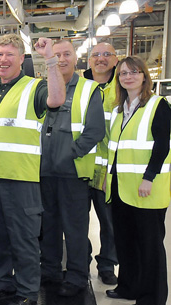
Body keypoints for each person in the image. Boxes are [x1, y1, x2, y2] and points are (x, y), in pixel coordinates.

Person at [0, 34, 65, 305]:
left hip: (21, 179)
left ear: (21, 59)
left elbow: (57, 99)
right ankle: (2, 283)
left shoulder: (35, 88)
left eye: (10, 54)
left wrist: (51, 60)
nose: (3, 60)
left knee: (24, 238)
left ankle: (27, 293)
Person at [104, 56, 170, 305]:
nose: (128, 77)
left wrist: (149, 176)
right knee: (126, 241)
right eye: (123, 74)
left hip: (146, 188)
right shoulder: (120, 109)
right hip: (121, 187)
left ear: (144, 75)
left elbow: (163, 145)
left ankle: (153, 300)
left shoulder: (158, 105)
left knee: (150, 245)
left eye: (133, 72)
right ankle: (128, 286)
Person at [39, 39, 105, 296]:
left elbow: (95, 131)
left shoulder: (90, 90)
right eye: (57, 55)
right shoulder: (43, 89)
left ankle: (78, 276)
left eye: (67, 54)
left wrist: (70, 155)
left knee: (75, 228)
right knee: (49, 226)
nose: (62, 59)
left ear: (75, 58)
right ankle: (51, 270)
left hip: (73, 172)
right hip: (44, 171)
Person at [83, 42, 120, 285]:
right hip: (81, 166)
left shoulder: (124, 86)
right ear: (88, 61)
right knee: (76, 220)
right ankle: (79, 261)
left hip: (108, 168)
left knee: (110, 223)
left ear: (116, 60)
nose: (101, 58)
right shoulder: (80, 87)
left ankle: (107, 265)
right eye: (96, 54)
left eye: (107, 54)